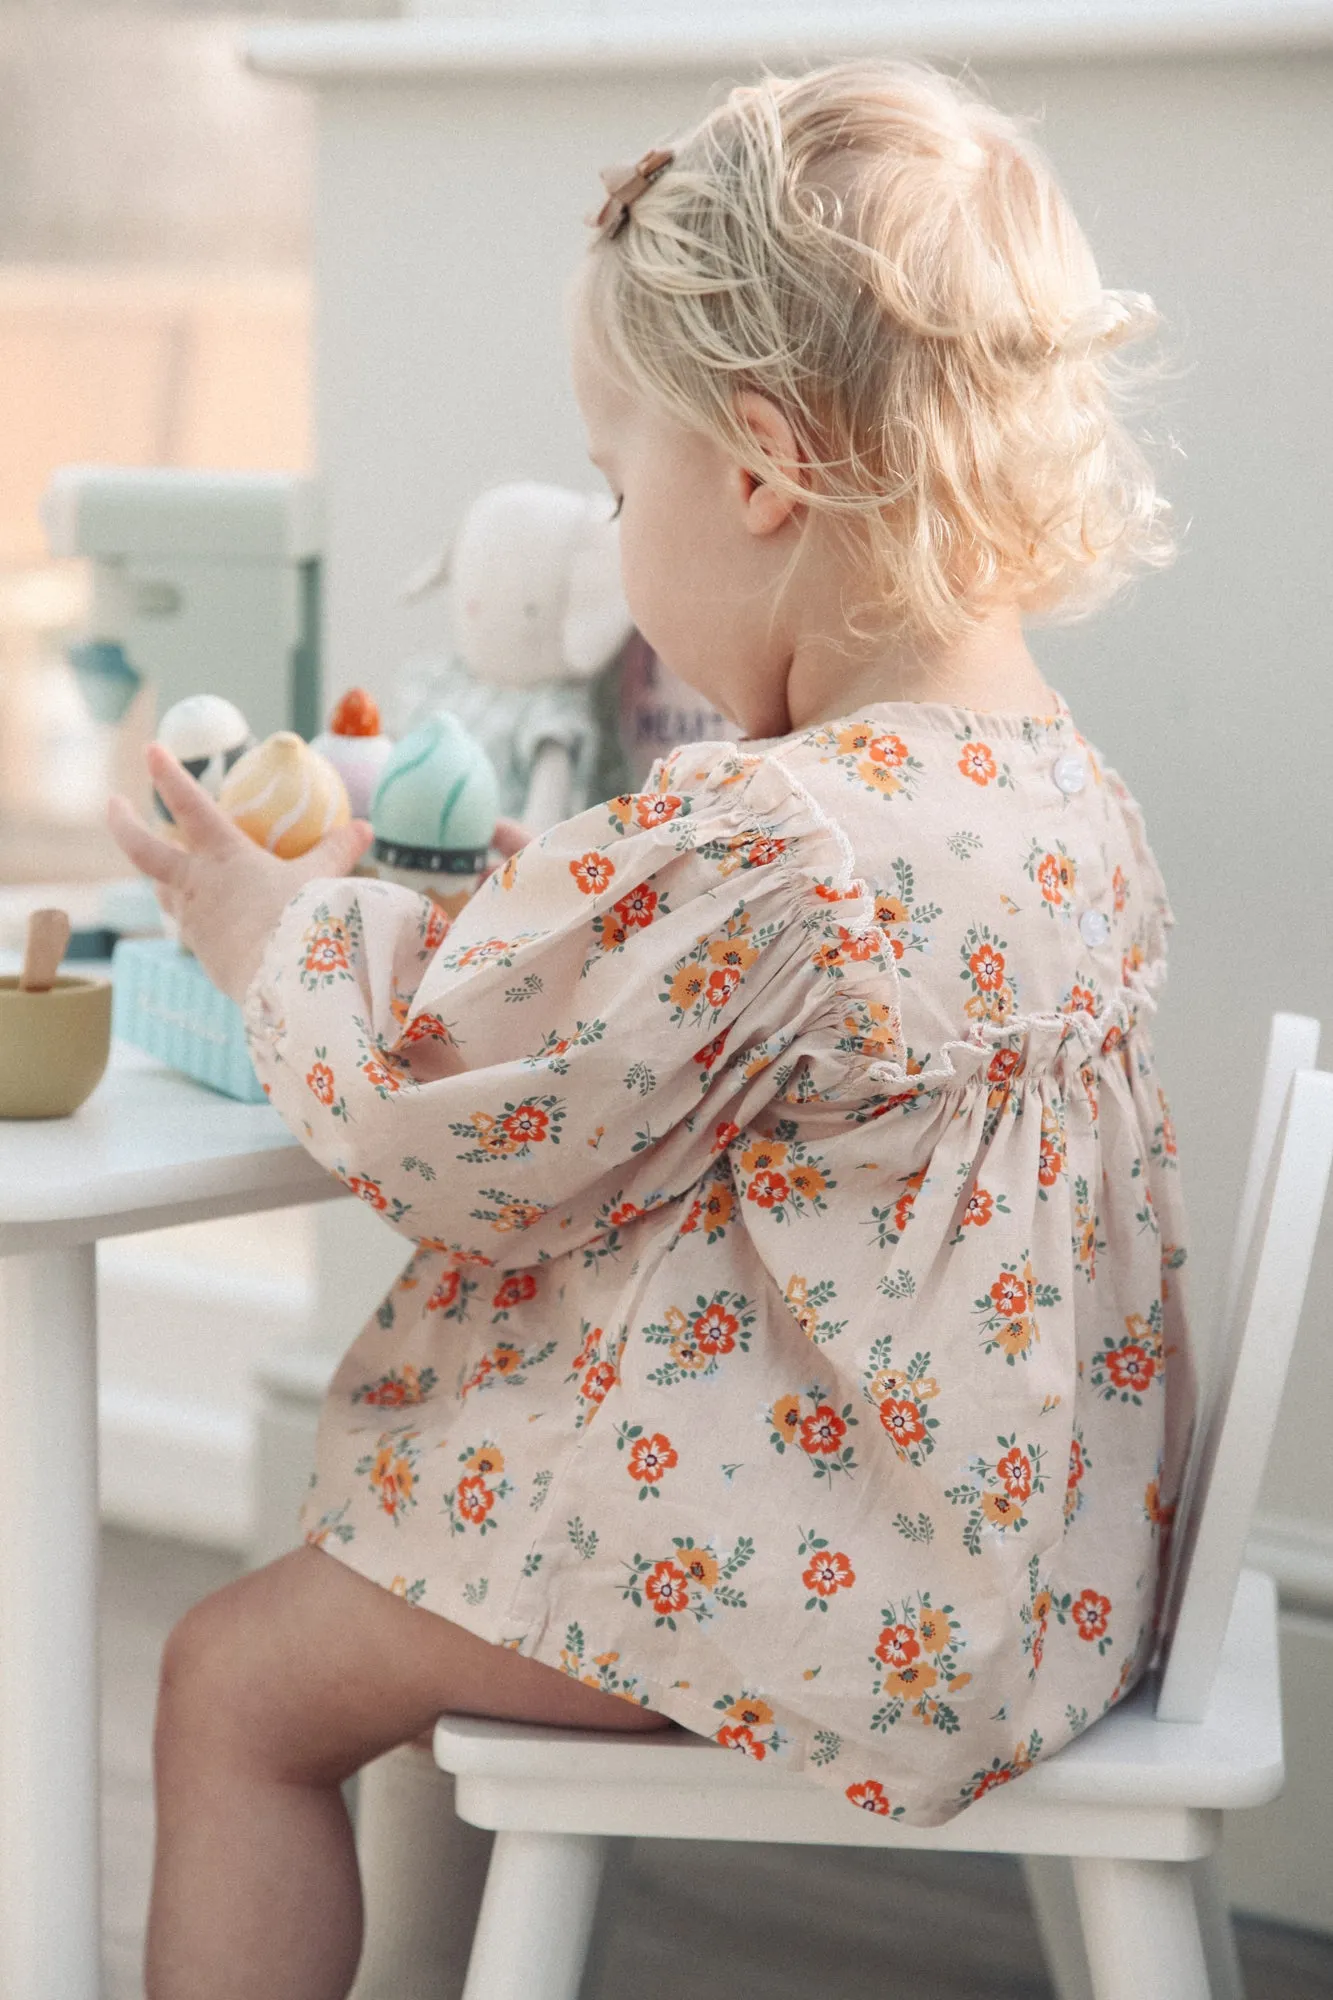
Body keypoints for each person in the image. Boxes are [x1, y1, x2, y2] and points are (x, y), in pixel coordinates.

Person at [109, 59, 1196, 2000]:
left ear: (762, 468)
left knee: (233, 1681)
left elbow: (446, 1119)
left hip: (835, 1593)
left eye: (622, 488)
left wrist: (274, 920)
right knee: (404, 1601)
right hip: (1046, 1579)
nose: (618, 543)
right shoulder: (1062, 788)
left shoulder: (775, 835)